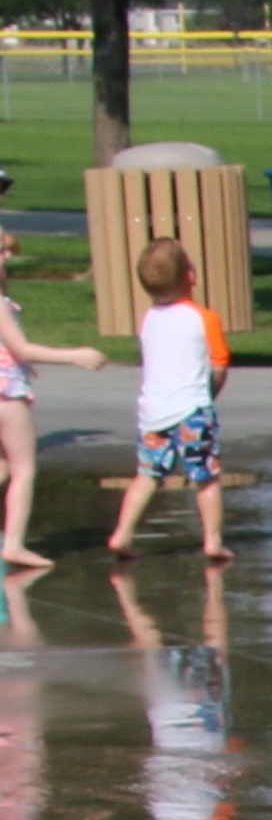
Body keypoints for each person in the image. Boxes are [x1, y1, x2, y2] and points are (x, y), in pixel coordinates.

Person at [108, 236, 228, 564]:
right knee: (205, 477)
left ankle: (122, 532)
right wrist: (210, 395)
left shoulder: (149, 319)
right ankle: (213, 540)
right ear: (191, 276)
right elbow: (219, 366)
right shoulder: (203, 318)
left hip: (152, 412)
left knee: (147, 475)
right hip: (192, 410)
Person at [0, 226, 107, 572]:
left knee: (4, 465)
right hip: (7, 396)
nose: (7, 258)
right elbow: (21, 347)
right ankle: (14, 544)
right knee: (24, 468)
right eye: (1, 253)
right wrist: (73, 355)